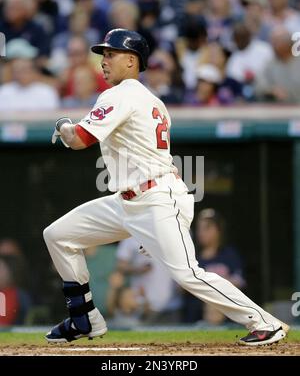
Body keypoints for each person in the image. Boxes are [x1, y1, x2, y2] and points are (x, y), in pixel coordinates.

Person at [43, 28, 289, 345]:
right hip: (131, 200)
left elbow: (79, 139)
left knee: (188, 273)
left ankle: (265, 322)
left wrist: (63, 123)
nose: (103, 61)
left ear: (131, 61)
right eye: (103, 54)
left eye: (110, 54)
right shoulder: (153, 100)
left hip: (156, 197)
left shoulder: (121, 93)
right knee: (59, 235)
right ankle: (84, 318)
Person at [182, 209, 246, 324]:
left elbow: (239, 282)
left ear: (218, 229)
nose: (201, 232)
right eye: (199, 228)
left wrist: (206, 284)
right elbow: (181, 286)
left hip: (226, 317)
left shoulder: (229, 254)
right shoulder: (191, 255)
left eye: (207, 228)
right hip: (194, 317)